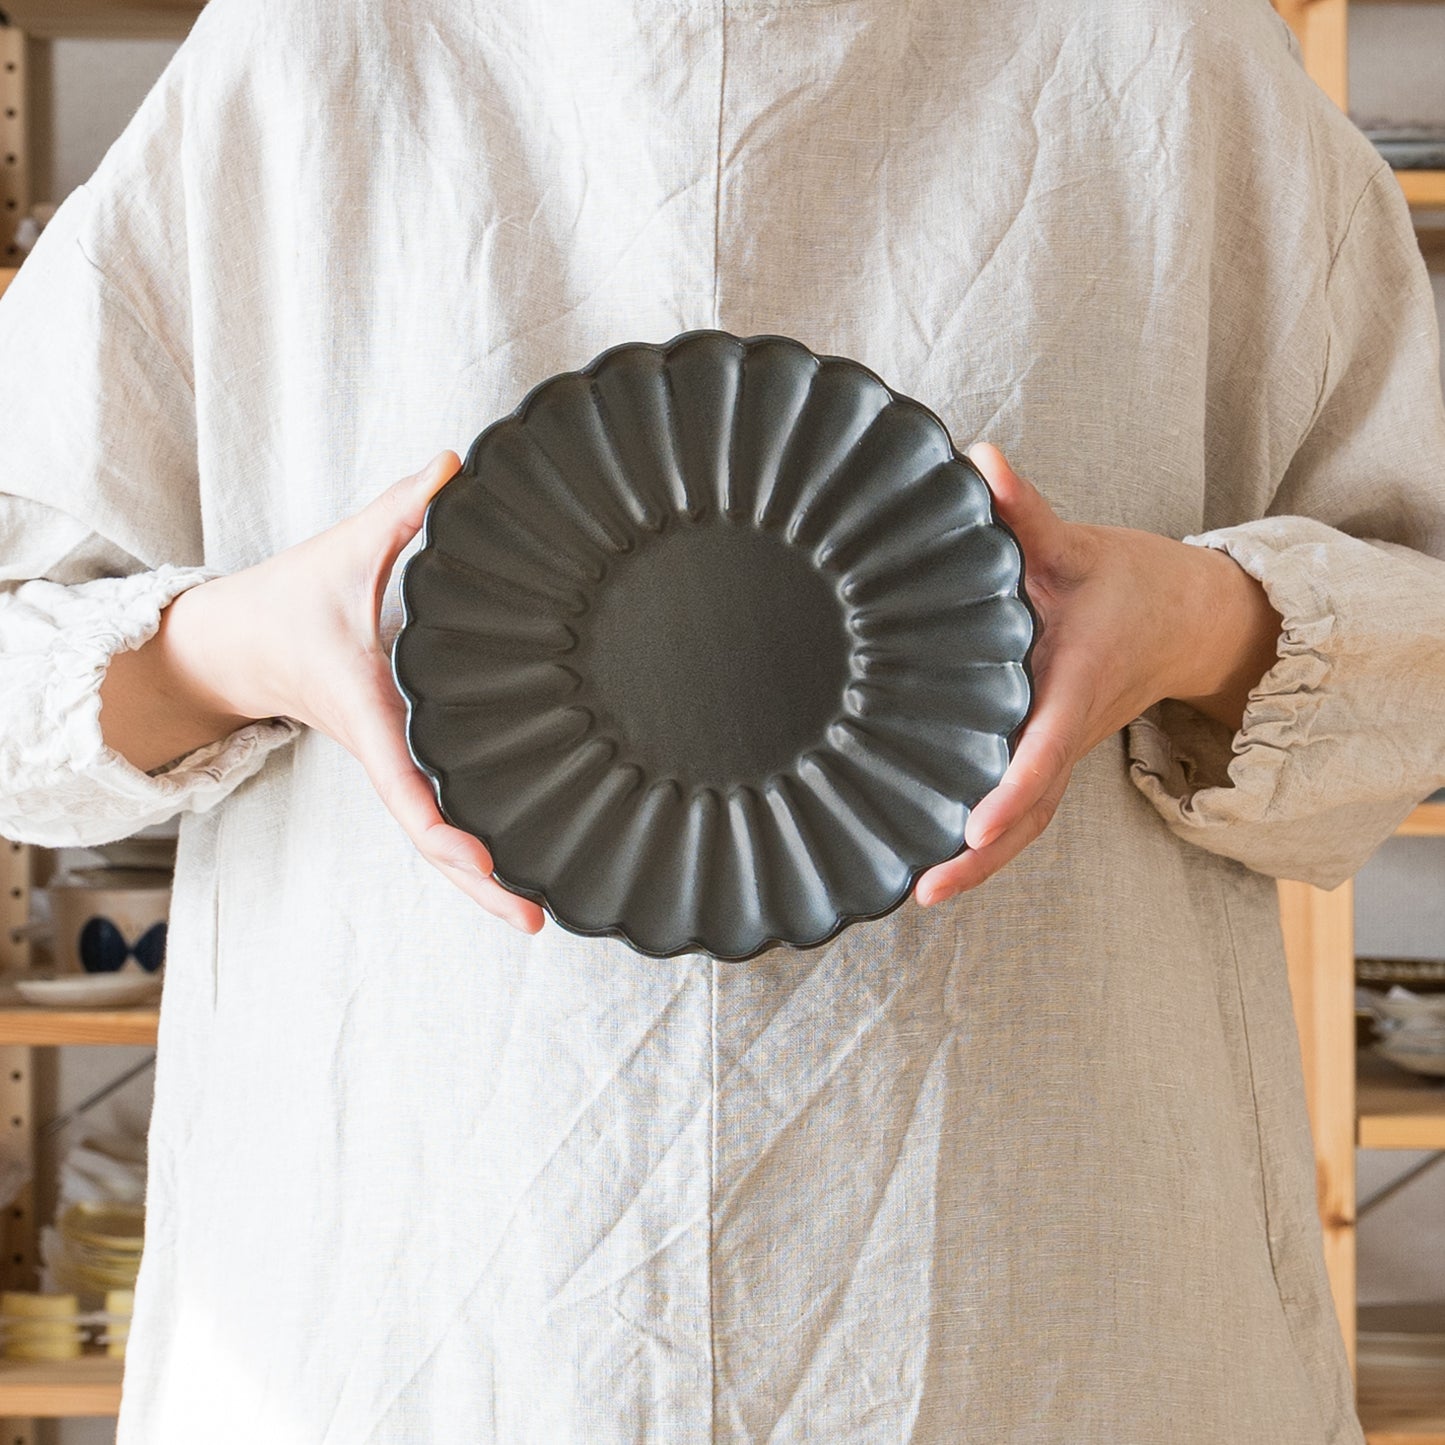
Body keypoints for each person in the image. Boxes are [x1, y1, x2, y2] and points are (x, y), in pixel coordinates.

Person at [2, 0, 1443, 1438]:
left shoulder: (1167, 53)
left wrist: (1194, 620)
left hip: (1038, 1286)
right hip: (422, 1290)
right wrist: (246, 643)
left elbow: (1419, 641)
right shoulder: (311, 54)